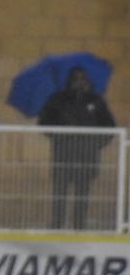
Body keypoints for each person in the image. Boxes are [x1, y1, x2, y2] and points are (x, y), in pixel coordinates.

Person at [38, 66, 116, 230]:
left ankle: (79, 227)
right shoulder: (58, 100)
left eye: (82, 78)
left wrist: (96, 143)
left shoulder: (96, 101)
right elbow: (44, 122)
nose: (79, 82)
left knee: (82, 194)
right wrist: (59, 136)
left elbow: (109, 126)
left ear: (87, 80)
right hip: (63, 156)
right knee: (60, 193)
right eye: (76, 78)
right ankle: (58, 225)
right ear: (70, 80)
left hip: (87, 157)